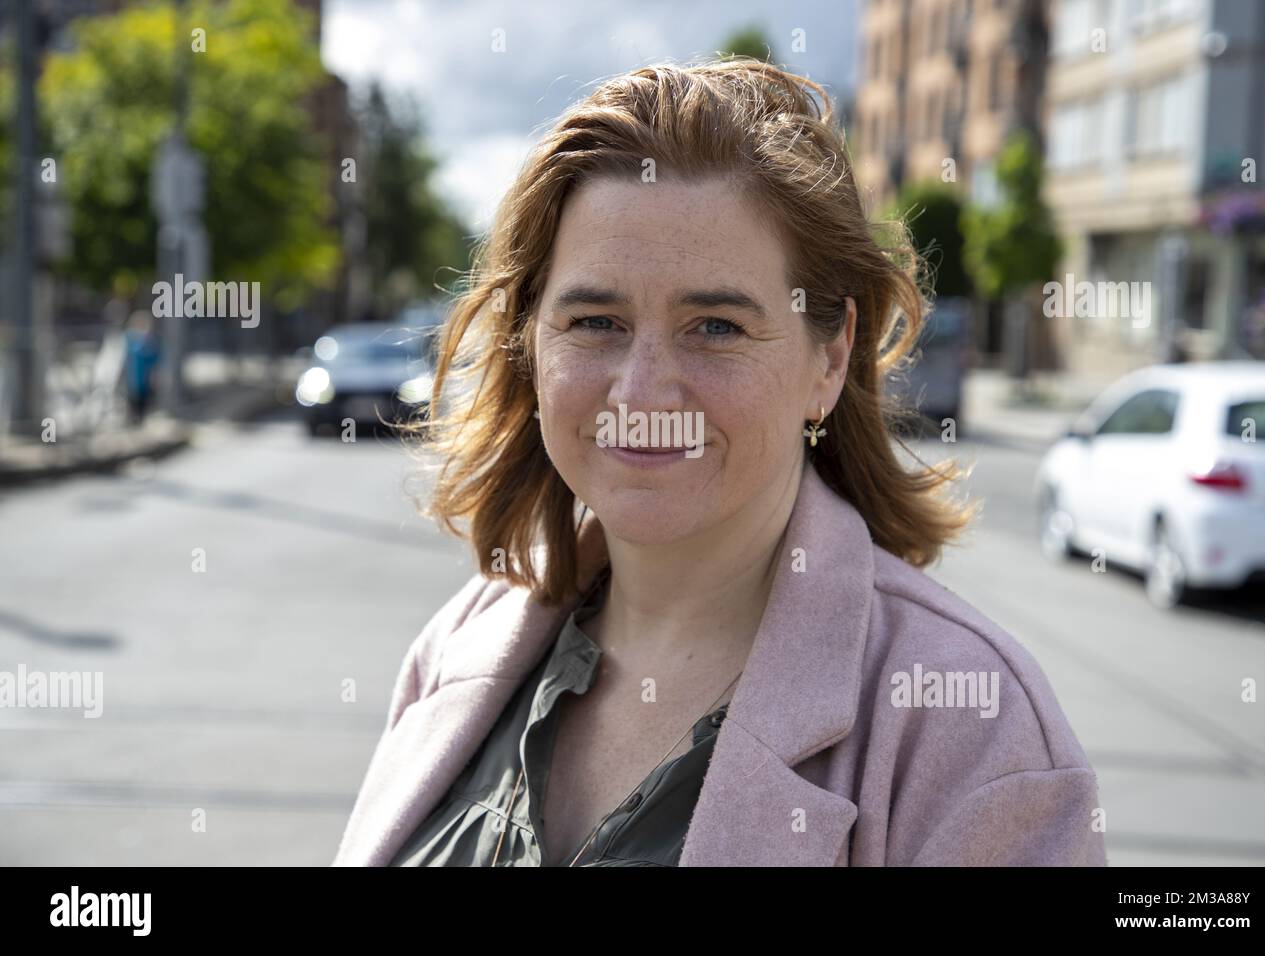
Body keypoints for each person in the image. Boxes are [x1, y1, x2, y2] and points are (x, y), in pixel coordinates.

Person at [333, 58, 1107, 867]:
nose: (642, 392)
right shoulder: (462, 640)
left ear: (830, 357)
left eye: (716, 327)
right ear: (531, 344)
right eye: (596, 321)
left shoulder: (970, 727)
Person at [123, 311, 160, 424]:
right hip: (132, 379)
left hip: (144, 381)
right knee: (132, 402)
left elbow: (154, 359)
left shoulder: (151, 343)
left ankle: (140, 421)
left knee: (143, 404)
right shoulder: (131, 340)